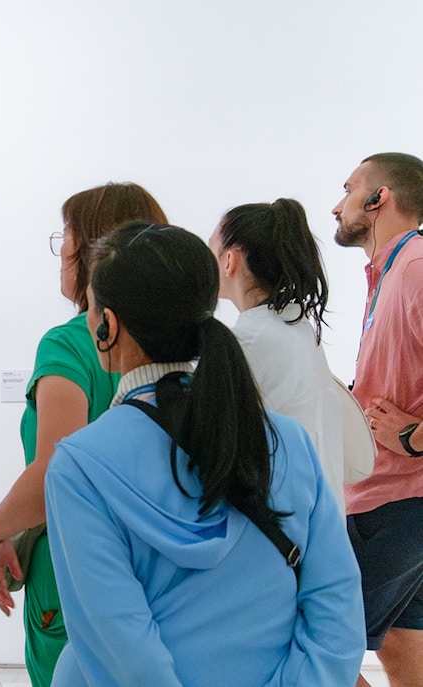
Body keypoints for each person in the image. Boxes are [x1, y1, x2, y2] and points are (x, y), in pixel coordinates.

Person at [44, 222, 364, 686]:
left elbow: (118, 640)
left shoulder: (80, 465)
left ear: (107, 327)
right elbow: (337, 603)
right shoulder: (286, 442)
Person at [0, 182, 166, 687]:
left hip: (79, 571)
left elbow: (55, 471)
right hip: (160, 570)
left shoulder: (70, 344)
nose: (61, 251)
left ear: (93, 249)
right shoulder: (189, 347)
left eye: (66, 237)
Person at [333, 152, 423, 686]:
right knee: (398, 644)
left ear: (378, 198)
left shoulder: (414, 269)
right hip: (393, 501)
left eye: (348, 189)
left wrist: (413, 437)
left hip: (397, 502)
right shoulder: (391, 270)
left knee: (312, 649)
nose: (336, 204)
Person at [209, 198, 361, 513]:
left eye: (210, 248)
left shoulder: (249, 341)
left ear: (230, 261)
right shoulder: (298, 329)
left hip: (283, 526)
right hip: (321, 521)